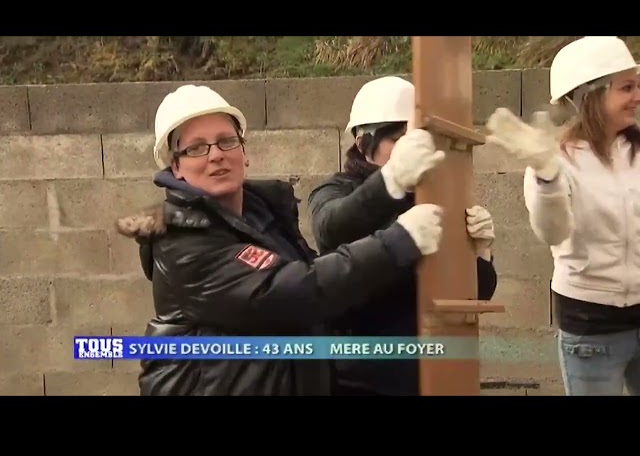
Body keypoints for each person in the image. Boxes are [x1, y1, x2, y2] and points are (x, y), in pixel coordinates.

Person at [114, 83, 448, 396]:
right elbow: (298, 290)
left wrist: (472, 254)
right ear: (176, 168)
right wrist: (399, 239)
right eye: (197, 148)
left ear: (244, 151)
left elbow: (319, 279)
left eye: (226, 141)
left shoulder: (263, 217)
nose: (216, 155)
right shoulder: (184, 244)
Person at [307, 76, 499, 397]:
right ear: (363, 143)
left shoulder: (434, 195)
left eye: (417, 139)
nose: (412, 148)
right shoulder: (335, 190)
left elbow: (473, 297)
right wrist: (393, 178)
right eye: (398, 139)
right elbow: (331, 228)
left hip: (429, 370)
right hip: (361, 375)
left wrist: (480, 255)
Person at [485, 36, 640, 396]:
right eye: (626, 87)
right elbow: (553, 232)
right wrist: (547, 175)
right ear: (590, 95)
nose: (637, 96)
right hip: (592, 328)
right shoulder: (555, 159)